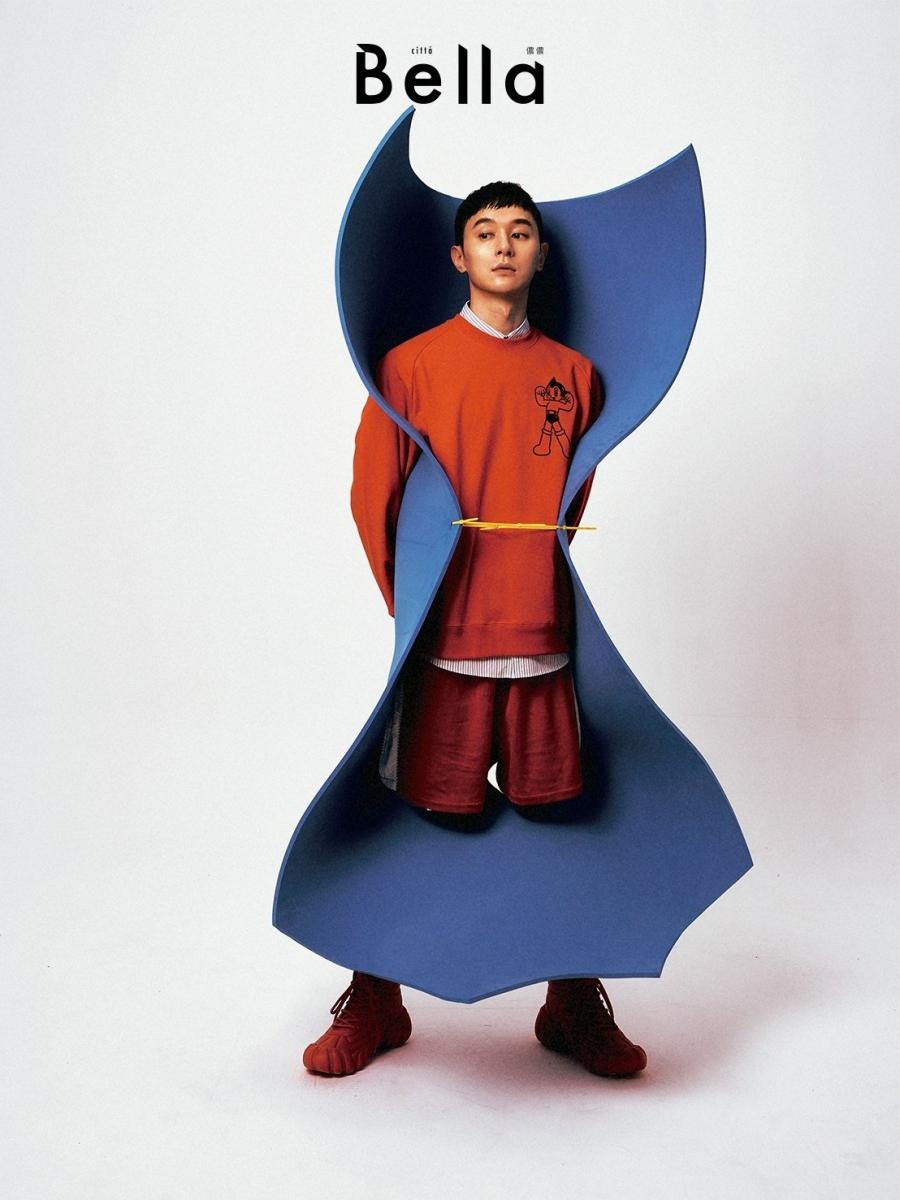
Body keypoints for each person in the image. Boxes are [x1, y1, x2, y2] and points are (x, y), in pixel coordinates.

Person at [302, 182, 647, 1080]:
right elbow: (371, 495)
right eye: (484, 232)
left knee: (562, 820)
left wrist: (529, 582)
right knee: (412, 821)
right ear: (459, 256)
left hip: (542, 637)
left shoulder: (574, 376)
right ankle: (376, 997)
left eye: (520, 232)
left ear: (540, 255)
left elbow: (571, 503)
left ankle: (570, 1001)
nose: (502, 245)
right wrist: (412, 608)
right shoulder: (410, 365)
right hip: (444, 643)